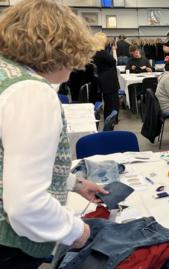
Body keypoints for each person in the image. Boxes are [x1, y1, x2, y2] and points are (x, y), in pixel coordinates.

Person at [0, 1, 108, 268]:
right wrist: (78, 232)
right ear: (59, 49)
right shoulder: (32, 92)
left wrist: (74, 183)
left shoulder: (6, 75)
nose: (75, 67)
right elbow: (26, 205)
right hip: (9, 245)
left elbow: (12, 160)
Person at [92, 32, 120, 120]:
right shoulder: (102, 53)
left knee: (109, 102)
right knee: (111, 103)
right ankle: (110, 120)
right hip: (109, 82)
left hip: (104, 80)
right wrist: (114, 50)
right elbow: (114, 61)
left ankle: (110, 119)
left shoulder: (95, 53)